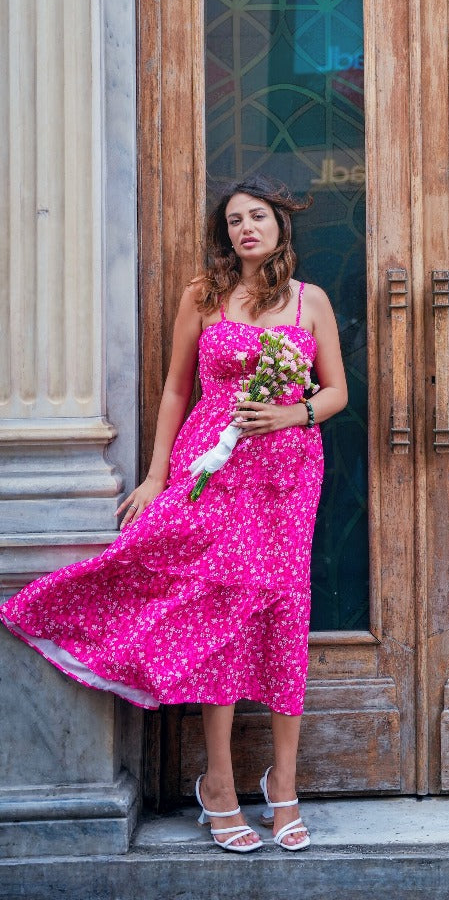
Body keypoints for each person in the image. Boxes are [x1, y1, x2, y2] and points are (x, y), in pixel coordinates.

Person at [0, 177, 347, 853]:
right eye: (235, 220)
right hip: (211, 470)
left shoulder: (311, 303)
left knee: (283, 610)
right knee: (218, 612)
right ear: (227, 234)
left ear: (281, 225)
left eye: (258, 217)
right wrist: (158, 475)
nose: (247, 228)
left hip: (287, 476)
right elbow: (174, 387)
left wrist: (289, 413)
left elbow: (334, 391)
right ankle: (217, 782)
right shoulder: (205, 294)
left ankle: (284, 783)